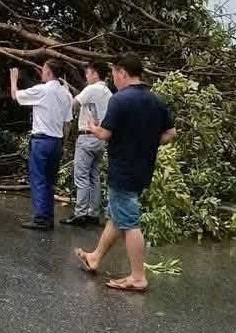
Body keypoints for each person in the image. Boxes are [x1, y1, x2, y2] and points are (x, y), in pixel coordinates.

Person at [74, 54, 175, 294]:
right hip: (143, 168)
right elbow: (170, 133)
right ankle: (95, 257)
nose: (114, 80)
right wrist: (148, 143)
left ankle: (138, 277)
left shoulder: (120, 100)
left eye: (114, 74)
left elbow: (106, 134)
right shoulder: (155, 101)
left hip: (123, 168)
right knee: (117, 215)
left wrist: (93, 129)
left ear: (122, 72)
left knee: (129, 222)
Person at [11, 60, 74, 231]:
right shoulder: (66, 94)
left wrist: (13, 78)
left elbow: (16, 96)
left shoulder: (42, 90)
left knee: (38, 179)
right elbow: (67, 122)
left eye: (44, 69)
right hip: (56, 141)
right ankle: (48, 216)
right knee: (49, 180)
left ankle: (40, 218)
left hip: (42, 140)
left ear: (48, 72)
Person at [62, 62, 112, 227]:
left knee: (82, 176)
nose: (87, 76)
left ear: (96, 74)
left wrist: (65, 93)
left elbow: (73, 104)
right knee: (94, 176)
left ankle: (80, 213)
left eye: (89, 73)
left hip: (87, 136)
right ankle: (93, 213)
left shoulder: (91, 89)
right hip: (101, 137)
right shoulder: (108, 93)